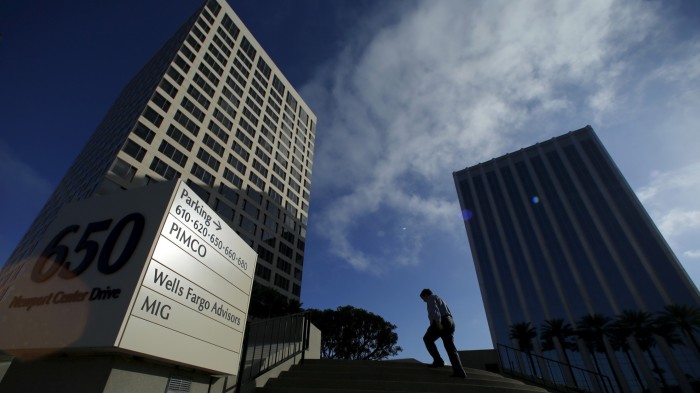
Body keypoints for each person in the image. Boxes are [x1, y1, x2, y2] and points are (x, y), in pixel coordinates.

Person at [420, 288, 467, 378]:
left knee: (427, 339)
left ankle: (438, 361)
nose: (424, 301)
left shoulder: (431, 298)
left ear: (425, 295)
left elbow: (434, 310)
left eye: (423, 299)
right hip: (450, 321)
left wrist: (438, 322)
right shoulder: (440, 298)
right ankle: (459, 372)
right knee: (450, 347)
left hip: (442, 321)